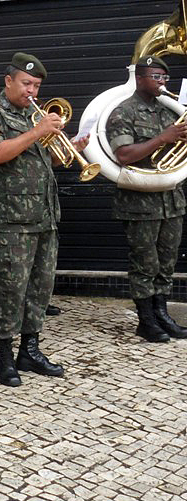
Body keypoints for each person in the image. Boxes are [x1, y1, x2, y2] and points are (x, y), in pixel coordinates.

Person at [0, 53, 86, 387]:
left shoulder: (32, 114)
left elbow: (39, 159)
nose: (32, 91)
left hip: (43, 215)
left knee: (40, 287)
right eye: (26, 84)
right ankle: (4, 357)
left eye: (36, 86)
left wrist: (68, 148)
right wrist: (38, 131)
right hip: (9, 221)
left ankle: (30, 349)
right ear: (8, 80)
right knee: (11, 288)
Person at [106, 55, 187, 343]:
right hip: (140, 203)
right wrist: (163, 138)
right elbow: (124, 155)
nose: (163, 82)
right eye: (156, 77)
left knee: (167, 262)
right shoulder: (122, 112)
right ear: (140, 78)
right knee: (145, 263)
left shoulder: (169, 112)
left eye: (165, 77)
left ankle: (162, 314)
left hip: (171, 199)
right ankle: (146, 320)